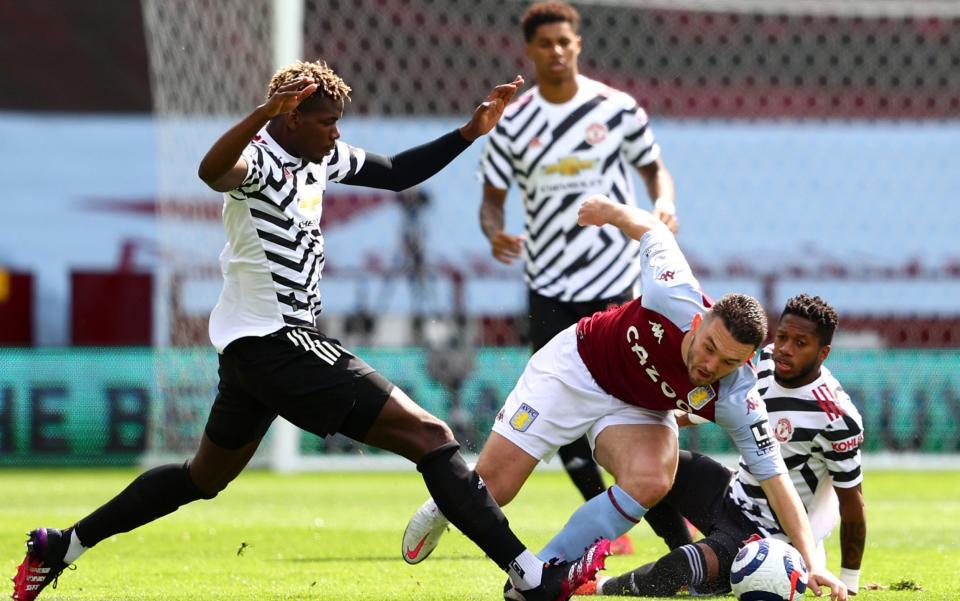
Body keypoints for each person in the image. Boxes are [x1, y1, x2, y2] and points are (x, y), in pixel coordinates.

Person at [11, 60, 609, 601]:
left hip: (253, 353)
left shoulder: (321, 157)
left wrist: (468, 132)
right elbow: (210, 169)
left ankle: (62, 545)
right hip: (279, 342)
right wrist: (260, 115)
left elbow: (398, 172)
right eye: (326, 121)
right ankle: (529, 574)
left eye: (338, 121)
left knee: (203, 477)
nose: (337, 133)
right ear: (290, 117)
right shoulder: (260, 162)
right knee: (430, 435)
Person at [402, 195, 846, 601]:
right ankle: (444, 504)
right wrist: (609, 213)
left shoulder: (737, 394)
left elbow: (777, 481)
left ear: (747, 360)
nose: (712, 366)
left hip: (636, 409)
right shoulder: (670, 292)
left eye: (730, 362)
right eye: (709, 348)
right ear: (698, 323)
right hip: (576, 368)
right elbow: (653, 229)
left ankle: (545, 572)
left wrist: (814, 563)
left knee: (654, 478)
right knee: (495, 488)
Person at [477, 0, 677, 527]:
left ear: (578, 44)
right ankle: (602, 513)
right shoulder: (512, 123)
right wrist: (493, 231)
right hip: (549, 284)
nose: (557, 51)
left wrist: (664, 204)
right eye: (545, 44)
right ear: (529, 51)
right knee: (555, 405)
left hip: (615, 281)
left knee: (636, 405)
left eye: (565, 42)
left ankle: (652, 518)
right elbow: (492, 197)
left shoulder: (617, 108)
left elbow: (655, 171)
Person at [585, 294, 867, 596]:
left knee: (683, 566)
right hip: (731, 492)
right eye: (782, 337)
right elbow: (717, 403)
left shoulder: (836, 417)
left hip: (764, 534)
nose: (785, 349)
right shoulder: (764, 361)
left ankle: (604, 587)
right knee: (646, 468)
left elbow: (853, 505)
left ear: (822, 353)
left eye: (800, 343)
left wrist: (849, 583)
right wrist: (670, 419)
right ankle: (693, 556)